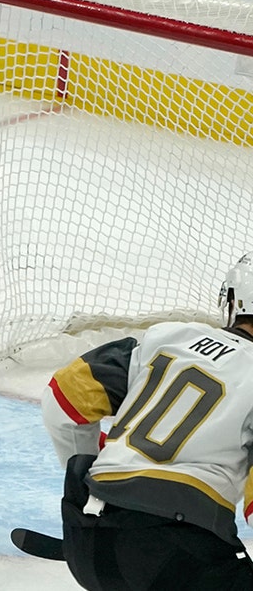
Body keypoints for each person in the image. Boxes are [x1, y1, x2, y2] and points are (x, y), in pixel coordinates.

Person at [41, 252, 253, 590]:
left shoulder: (168, 336)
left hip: (86, 540)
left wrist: (96, 490)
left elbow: (62, 399)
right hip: (177, 553)